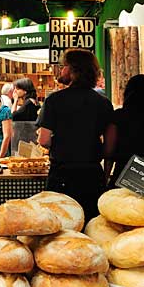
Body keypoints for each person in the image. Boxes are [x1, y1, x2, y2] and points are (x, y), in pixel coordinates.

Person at [36, 49, 113, 220]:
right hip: (92, 174)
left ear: (74, 70)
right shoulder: (103, 103)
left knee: (60, 226)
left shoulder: (54, 100)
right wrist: (106, 175)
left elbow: (43, 140)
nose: (61, 71)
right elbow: (109, 147)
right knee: (91, 226)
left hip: (62, 174)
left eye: (64, 66)